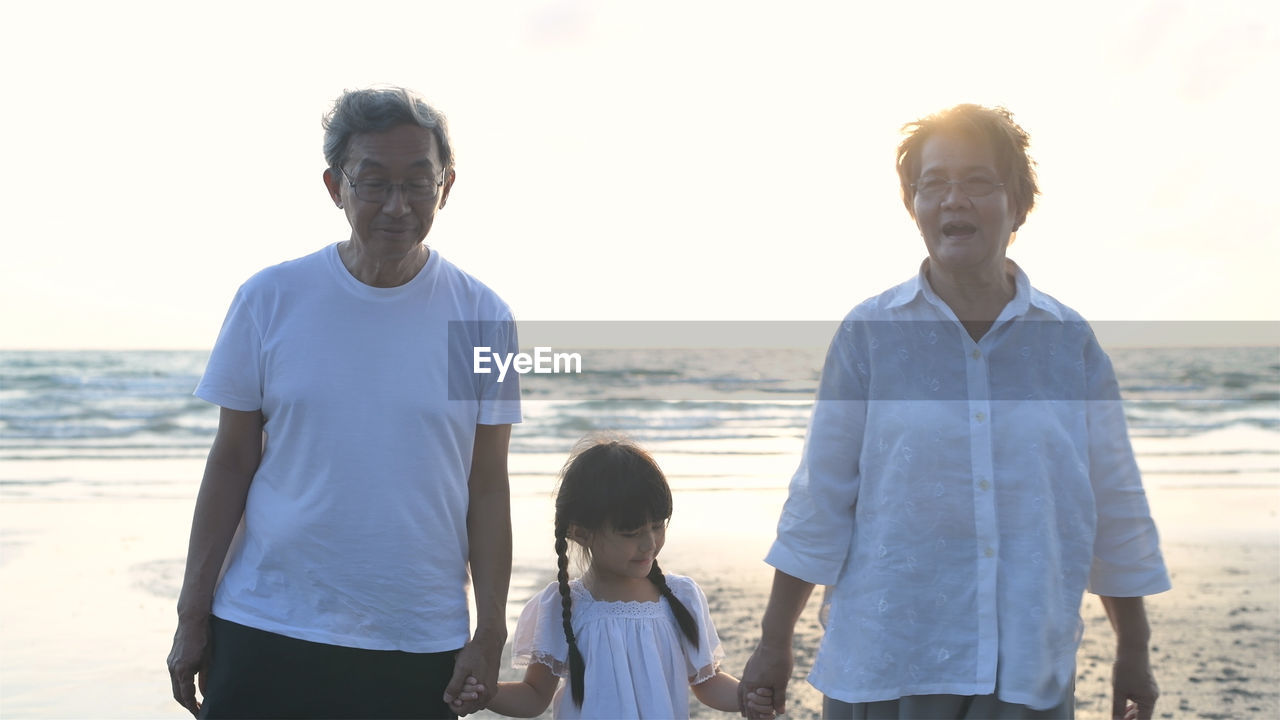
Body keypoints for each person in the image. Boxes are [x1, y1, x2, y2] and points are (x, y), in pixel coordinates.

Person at [740, 104, 1171, 720]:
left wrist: (1134, 648)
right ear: (912, 205)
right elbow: (820, 499)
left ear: (1020, 204)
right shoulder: (869, 334)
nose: (952, 200)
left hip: (1028, 665)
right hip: (890, 657)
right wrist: (774, 641)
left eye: (977, 182)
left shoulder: (1069, 341)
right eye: (933, 184)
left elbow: (1113, 499)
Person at [165, 86, 522, 719]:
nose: (397, 205)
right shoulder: (269, 299)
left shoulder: (485, 318)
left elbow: (488, 485)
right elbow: (231, 462)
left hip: (416, 635)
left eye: (418, 182)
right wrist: (193, 613)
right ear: (335, 186)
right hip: (264, 621)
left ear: (447, 186)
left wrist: (490, 630)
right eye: (373, 182)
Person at [464, 436, 775, 719]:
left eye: (658, 525)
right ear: (580, 533)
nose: (649, 543)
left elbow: (707, 682)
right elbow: (533, 697)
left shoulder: (681, 596)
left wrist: (747, 695)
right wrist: (486, 693)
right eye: (631, 533)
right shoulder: (564, 606)